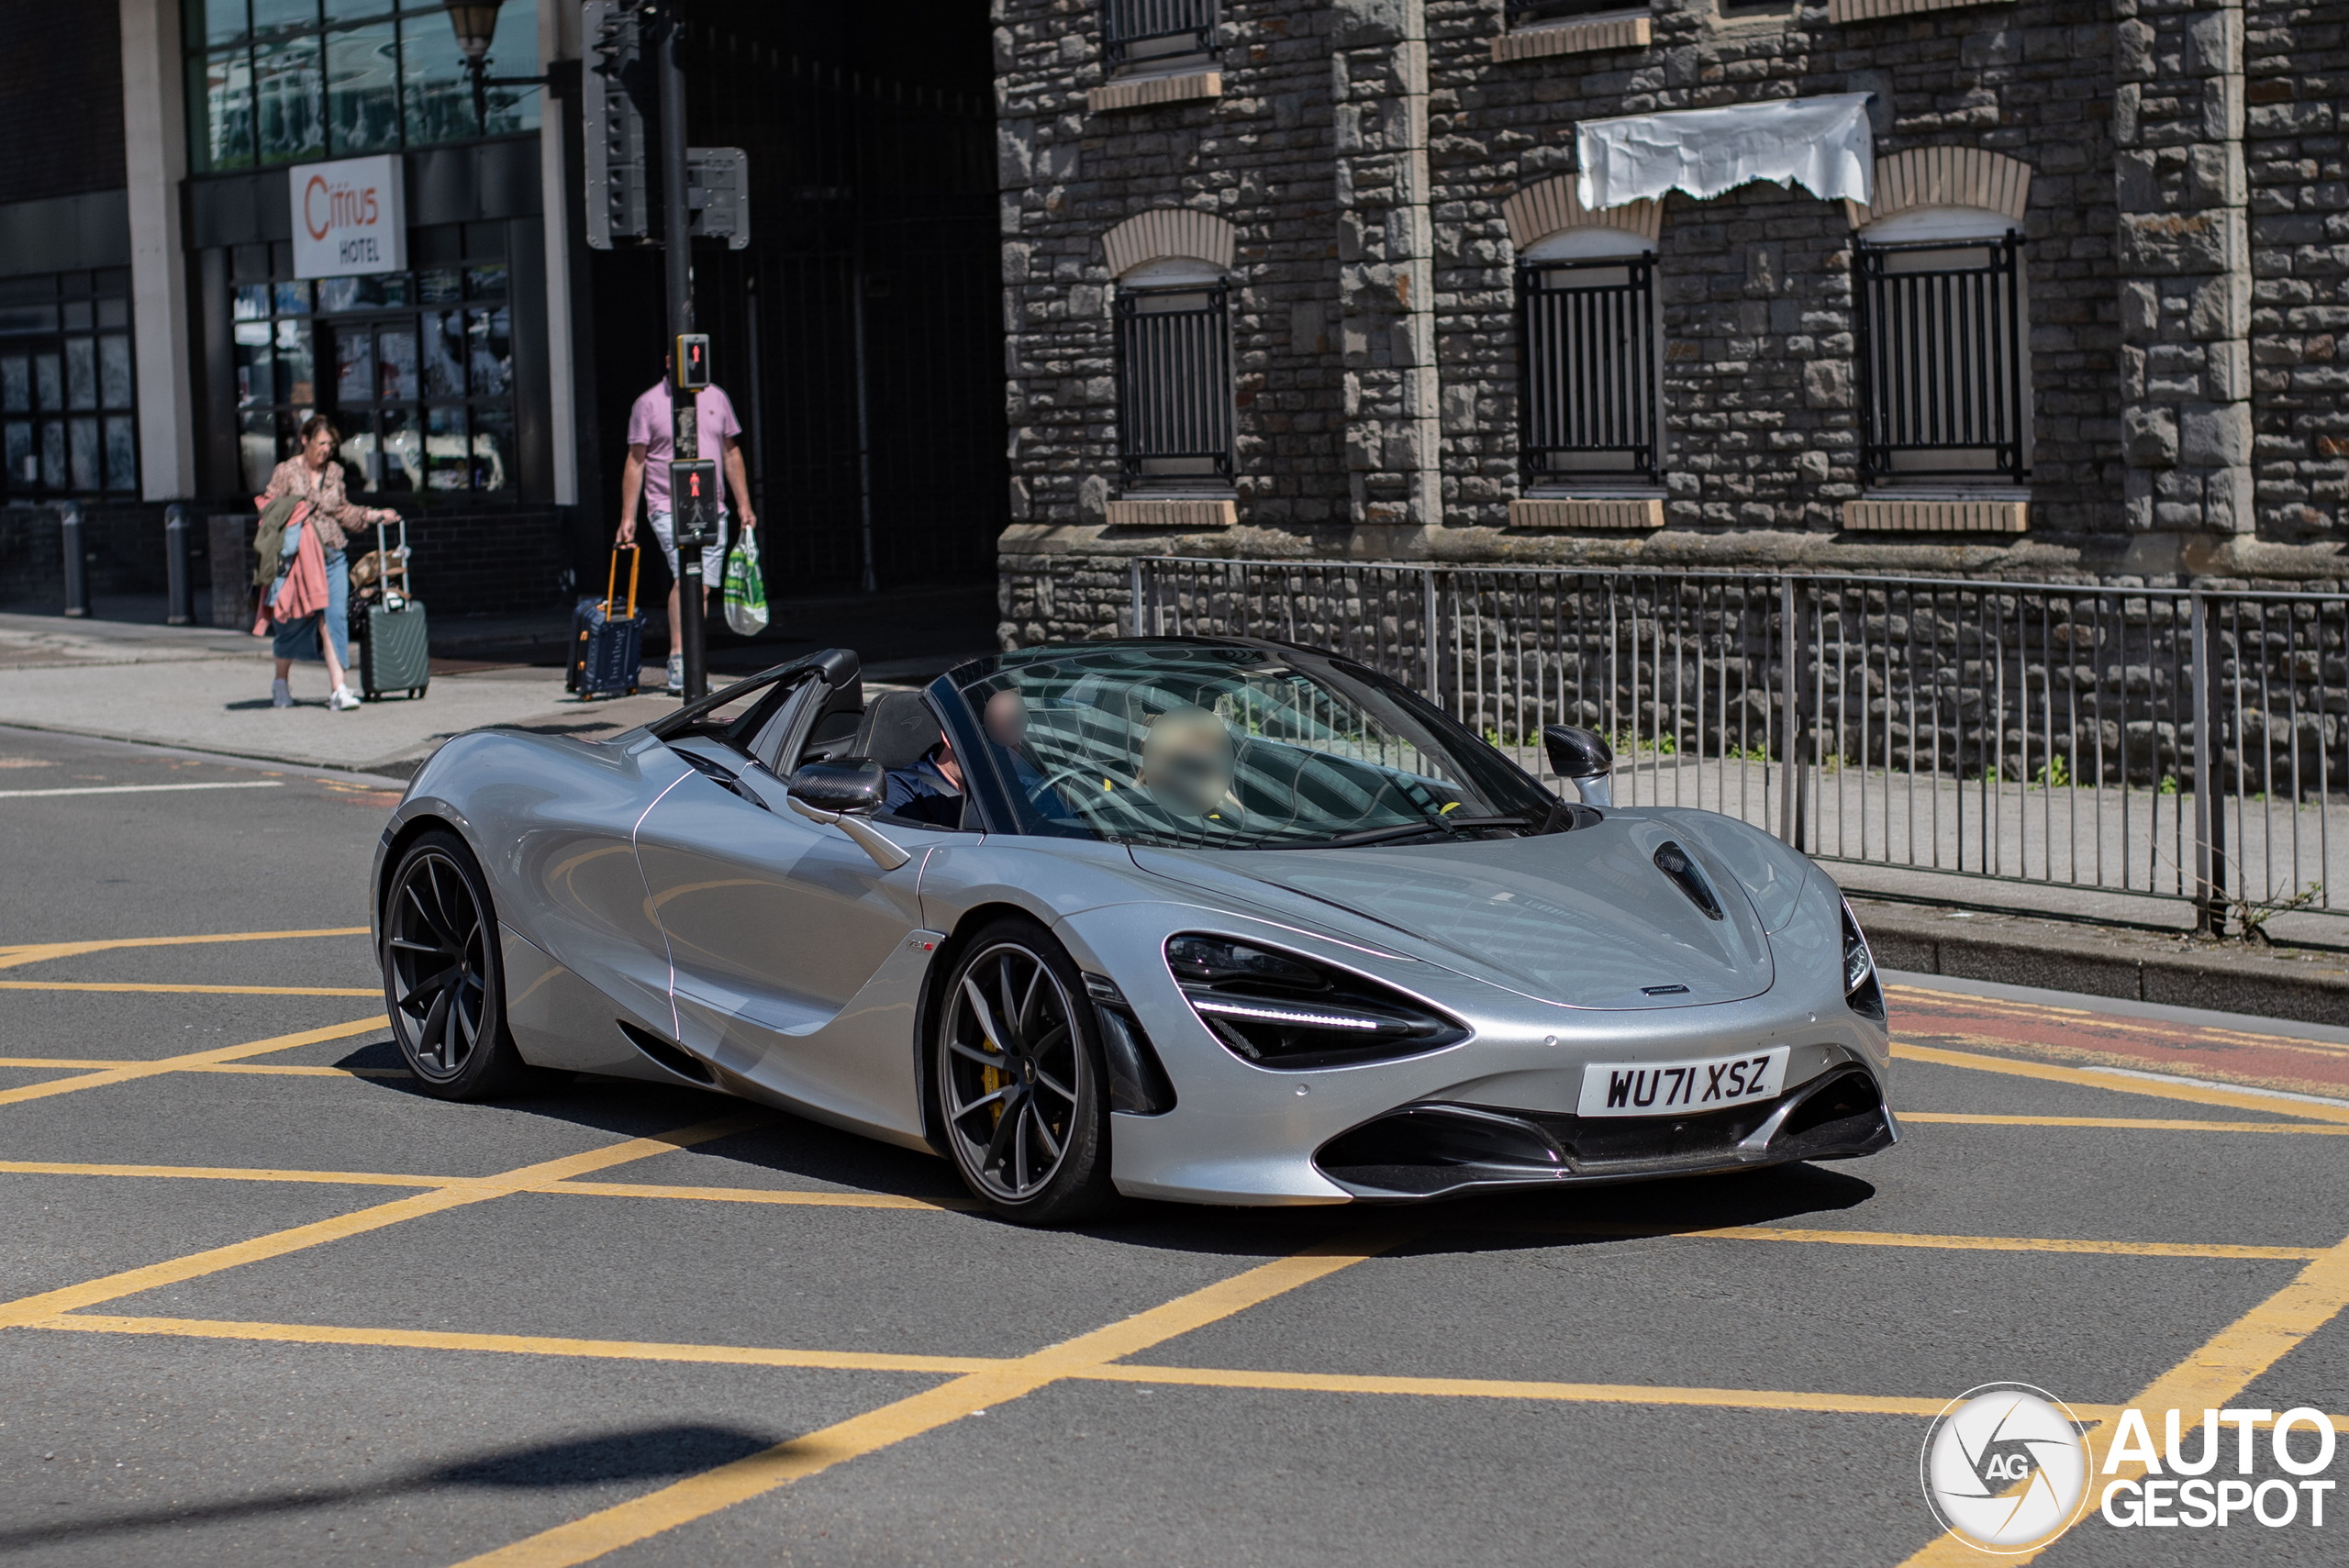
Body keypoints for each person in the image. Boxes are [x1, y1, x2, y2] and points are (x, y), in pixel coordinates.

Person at [616, 358, 759, 695]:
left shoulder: (717, 398)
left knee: (704, 586)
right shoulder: (648, 403)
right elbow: (636, 461)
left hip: (711, 506)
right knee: (687, 576)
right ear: (669, 358)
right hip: (666, 504)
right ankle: (680, 657)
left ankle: (692, 658)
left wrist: (743, 504)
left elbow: (731, 453)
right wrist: (628, 517)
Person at [257, 416, 395, 709]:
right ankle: (280, 682)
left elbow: (343, 511)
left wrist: (374, 515)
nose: (326, 451)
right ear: (305, 440)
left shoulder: (334, 472)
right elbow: (268, 510)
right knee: (291, 622)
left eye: (330, 445)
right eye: (321, 444)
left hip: (333, 557)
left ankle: (339, 688)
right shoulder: (286, 471)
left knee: (334, 619)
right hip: (298, 563)